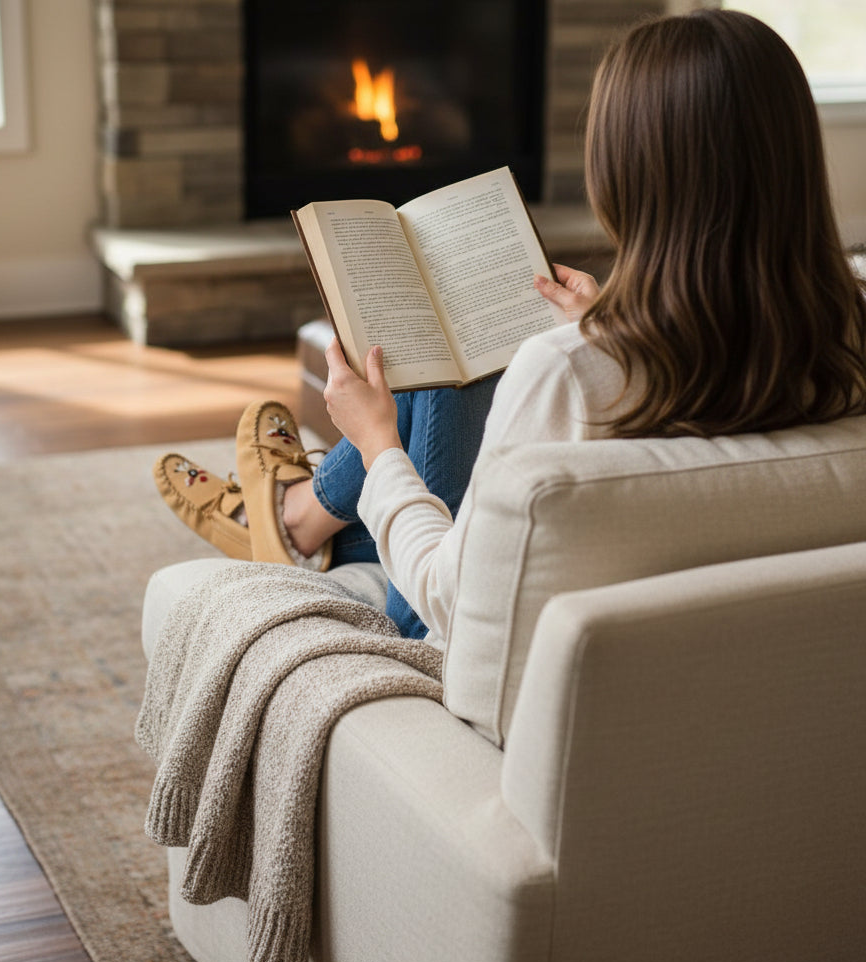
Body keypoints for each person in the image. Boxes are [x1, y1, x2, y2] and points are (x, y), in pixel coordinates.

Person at [157, 9, 866, 644]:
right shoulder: (839, 329)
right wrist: (610, 330)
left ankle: (295, 517)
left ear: (624, 170)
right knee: (451, 348)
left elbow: (452, 602)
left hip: (473, 654)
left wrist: (375, 445)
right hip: (717, 651)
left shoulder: (564, 373)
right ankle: (299, 516)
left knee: (438, 368)